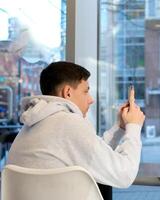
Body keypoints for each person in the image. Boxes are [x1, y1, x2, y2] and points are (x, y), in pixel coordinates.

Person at [7, 61, 145, 188]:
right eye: (86, 91)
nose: (91, 100)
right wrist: (133, 127)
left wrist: (119, 128)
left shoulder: (33, 124)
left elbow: (90, 153)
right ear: (67, 92)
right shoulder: (68, 123)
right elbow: (124, 175)